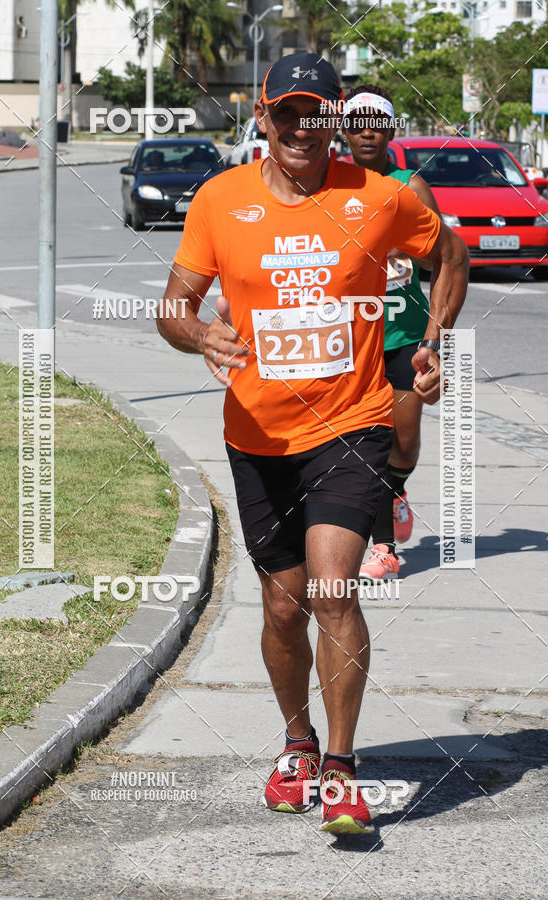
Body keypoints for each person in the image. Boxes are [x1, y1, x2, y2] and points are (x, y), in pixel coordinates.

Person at [156, 52, 469, 835]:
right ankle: (297, 741)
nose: (302, 127)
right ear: (262, 117)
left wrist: (431, 343)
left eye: (317, 112)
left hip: (353, 423)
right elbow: (174, 303)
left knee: (334, 589)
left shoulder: (382, 198)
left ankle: (341, 766)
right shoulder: (220, 200)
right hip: (258, 433)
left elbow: (450, 256)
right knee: (282, 603)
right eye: (286, 112)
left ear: (339, 119)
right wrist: (198, 334)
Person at [341, 84, 443, 583]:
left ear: (391, 129)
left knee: (403, 446)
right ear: (341, 127)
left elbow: (441, 260)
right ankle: (380, 546)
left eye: (375, 122)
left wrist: (433, 340)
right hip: (349, 342)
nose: (366, 131)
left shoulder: (410, 187)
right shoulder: (328, 186)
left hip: (403, 336)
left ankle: (396, 487)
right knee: (369, 446)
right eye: (356, 122)